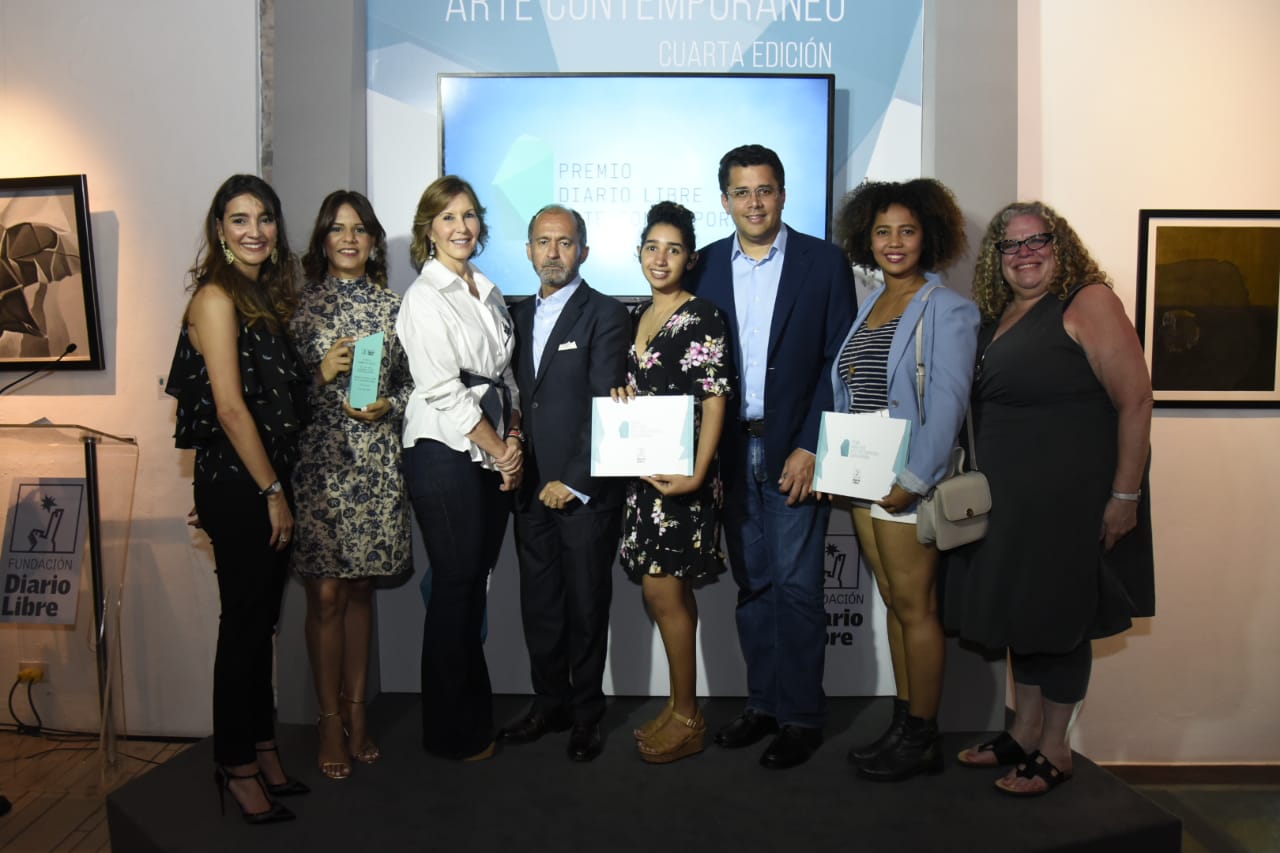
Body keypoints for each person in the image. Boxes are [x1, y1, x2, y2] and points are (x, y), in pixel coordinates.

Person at [945, 201, 1155, 796]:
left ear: (1061, 247)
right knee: (1024, 617)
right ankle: (1025, 729)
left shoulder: (1087, 302)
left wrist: (1125, 495)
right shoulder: (1003, 313)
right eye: (1011, 246)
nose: (1026, 253)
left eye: (1039, 240)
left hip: (1071, 502)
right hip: (1011, 507)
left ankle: (1057, 749)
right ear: (997, 259)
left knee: (1061, 620)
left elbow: (1135, 401)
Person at [689, 144, 856, 769]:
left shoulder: (824, 262)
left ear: (783, 194)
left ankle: (802, 716)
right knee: (753, 585)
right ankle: (763, 704)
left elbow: (834, 362)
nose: (753, 202)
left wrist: (812, 442)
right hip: (729, 453)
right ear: (725, 199)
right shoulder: (703, 265)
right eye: (741, 192)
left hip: (794, 451)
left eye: (764, 190)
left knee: (797, 587)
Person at [165, 174, 310, 823]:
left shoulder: (258, 298)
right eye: (240, 218)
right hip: (248, 484)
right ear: (219, 229)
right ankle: (237, 764)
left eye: (265, 218)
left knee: (260, 628)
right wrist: (270, 492)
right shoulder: (217, 298)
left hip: (253, 482)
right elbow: (227, 407)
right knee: (245, 629)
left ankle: (262, 747)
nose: (255, 229)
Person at [828, 179, 979, 780]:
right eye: (883, 231)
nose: (894, 242)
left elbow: (947, 402)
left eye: (907, 230)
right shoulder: (871, 301)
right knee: (894, 601)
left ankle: (923, 736)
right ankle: (903, 721)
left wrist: (915, 479)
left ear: (929, 236)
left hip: (904, 480)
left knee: (916, 607)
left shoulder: (948, 308)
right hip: (863, 477)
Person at [396, 176, 523, 761]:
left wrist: (513, 439)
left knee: (473, 589)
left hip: (491, 444)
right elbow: (445, 392)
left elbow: (505, 377)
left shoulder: (487, 290)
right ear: (429, 229)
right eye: (448, 218)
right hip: (444, 450)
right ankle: (449, 732)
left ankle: (473, 717)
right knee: (454, 587)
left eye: (469, 215)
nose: (462, 227)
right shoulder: (424, 297)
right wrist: (500, 450)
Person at [289, 190, 413, 780]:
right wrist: (320, 373)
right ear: (322, 239)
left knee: (360, 591)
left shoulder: (395, 307)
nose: (348, 238)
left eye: (360, 229)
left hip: (375, 467)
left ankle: (359, 714)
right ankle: (328, 719)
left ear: (372, 240)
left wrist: (390, 401)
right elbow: (276, 398)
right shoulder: (298, 307)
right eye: (337, 229)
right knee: (326, 596)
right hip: (318, 471)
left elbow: (418, 386)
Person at [500, 205, 630, 763]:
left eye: (565, 242)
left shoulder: (605, 313)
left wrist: (573, 480)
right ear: (528, 250)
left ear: (584, 251)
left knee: (585, 605)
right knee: (541, 606)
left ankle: (585, 713)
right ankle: (548, 702)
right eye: (543, 242)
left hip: (582, 493)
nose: (553, 252)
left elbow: (607, 405)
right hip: (527, 488)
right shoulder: (514, 315)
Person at [612, 202, 733, 764]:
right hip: (644, 480)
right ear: (640, 252)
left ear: (690, 257)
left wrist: (698, 474)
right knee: (661, 593)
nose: (661, 258)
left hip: (682, 480)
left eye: (674, 249)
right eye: (652, 247)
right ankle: (679, 704)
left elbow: (714, 398)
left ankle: (689, 715)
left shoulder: (703, 315)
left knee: (666, 592)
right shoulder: (636, 313)